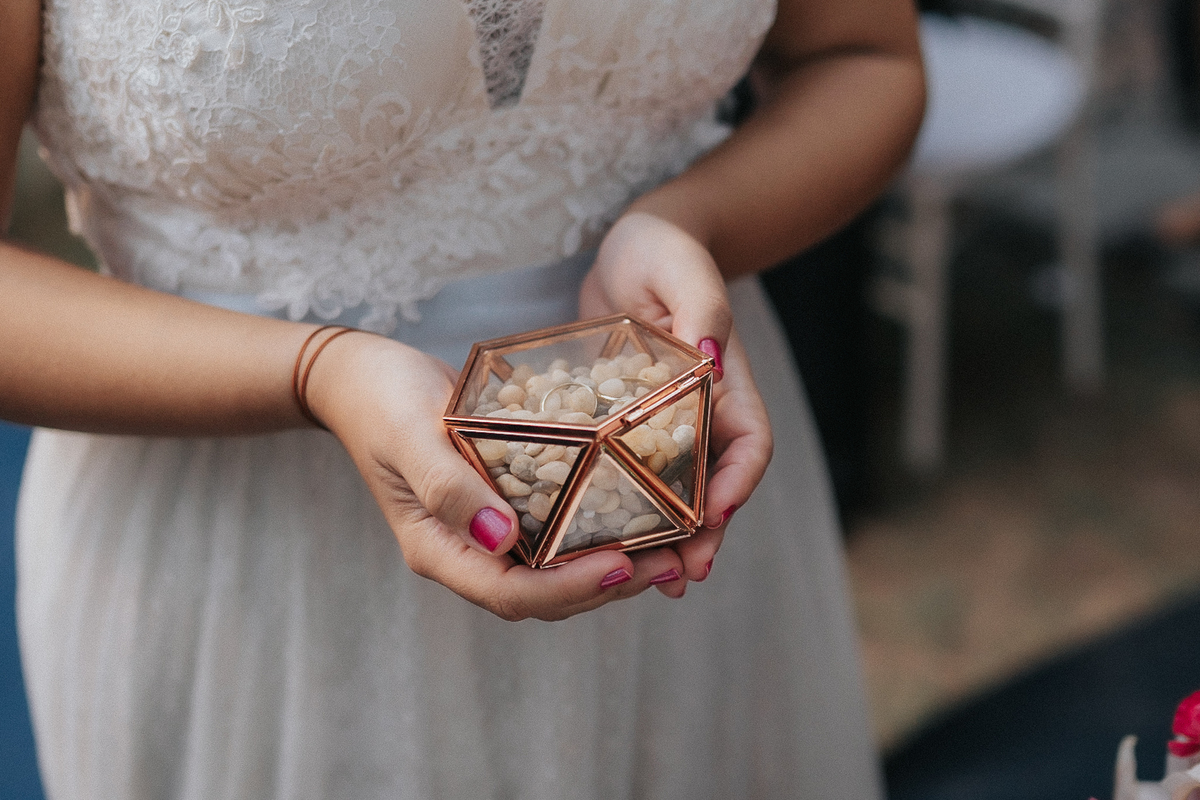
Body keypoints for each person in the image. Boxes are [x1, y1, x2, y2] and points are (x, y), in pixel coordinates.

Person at [0, 0, 925, 797]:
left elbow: (863, 58)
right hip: (254, 577)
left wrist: (690, 221)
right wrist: (316, 370)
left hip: (669, 503)